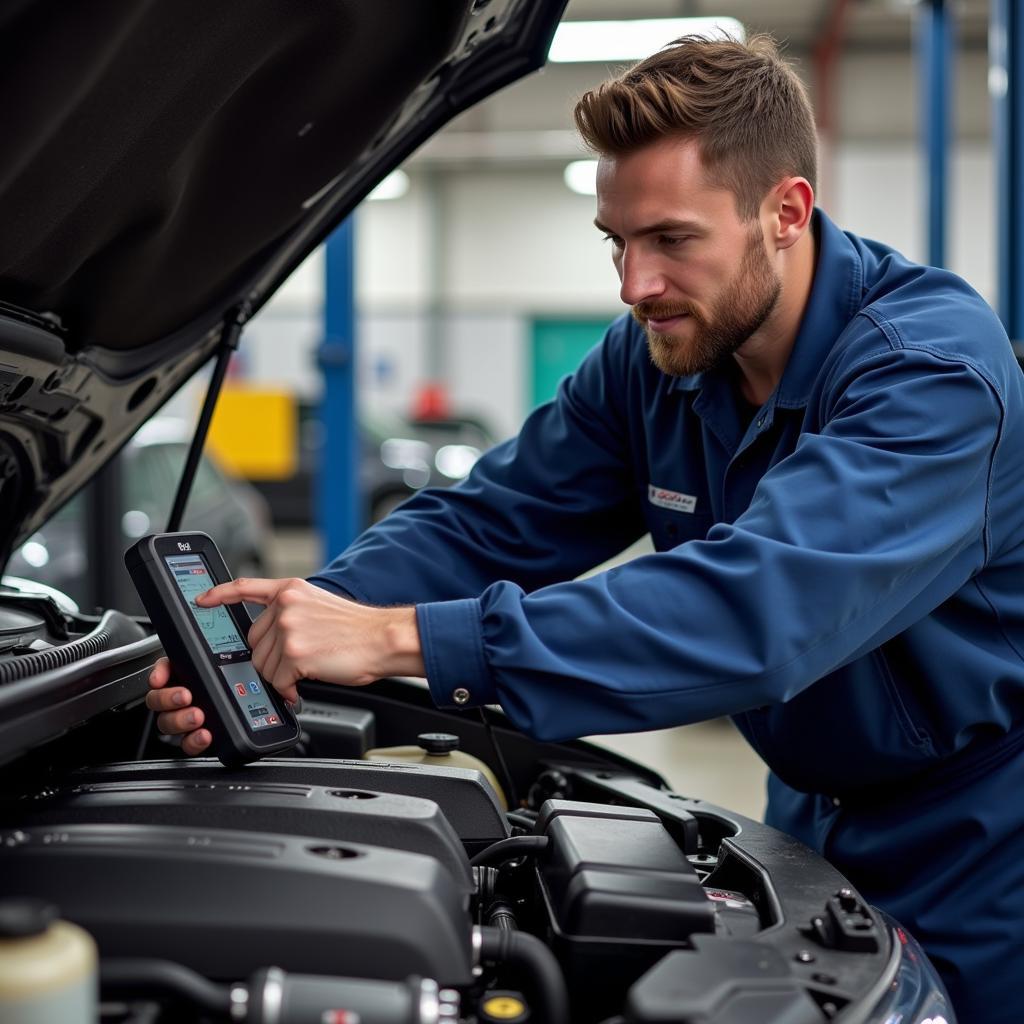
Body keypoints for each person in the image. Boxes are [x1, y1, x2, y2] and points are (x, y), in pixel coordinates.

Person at [147, 35, 1024, 1023]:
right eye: (616, 240)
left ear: (784, 212)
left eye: (671, 239)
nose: (632, 284)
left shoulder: (930, 376)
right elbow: (490, 520)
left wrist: (400, 639)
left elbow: (755, 611)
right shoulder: (653, 360)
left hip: (981, 838)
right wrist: (297, 632)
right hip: (812, 807)